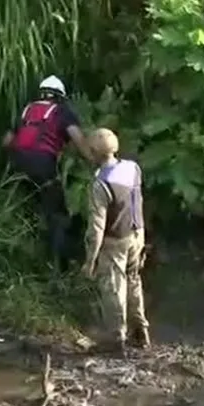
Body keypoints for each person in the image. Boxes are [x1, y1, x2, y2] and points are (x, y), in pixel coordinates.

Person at [3, 75, 94, 272]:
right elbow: (78, 139)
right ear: (60, 96)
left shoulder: (27, 110)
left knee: (26, 208)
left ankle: (20, 257)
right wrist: (93, 162)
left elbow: (7, 140)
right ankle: (58, 267)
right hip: (43, 165)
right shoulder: (62, 112)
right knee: (57, 214)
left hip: (18, 164)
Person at [81, 128, 151, 355]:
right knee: (133, 280)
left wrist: (90, 260)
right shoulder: (133, 168)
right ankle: (140, 331)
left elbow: (96, 227)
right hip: (138, 234)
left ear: (93, 153)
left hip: (116, 240)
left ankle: (115, 340)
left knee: (113, 288)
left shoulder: (100, 184)